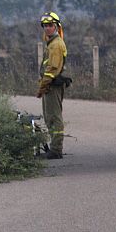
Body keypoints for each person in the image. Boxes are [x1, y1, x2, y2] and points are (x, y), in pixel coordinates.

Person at [37, 11, 68, 159]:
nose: (47, 28)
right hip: (50, 85)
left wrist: (43, 86)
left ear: (56, 26)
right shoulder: (52, 43)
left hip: (52, 85)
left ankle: (56, 150)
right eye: (45, 26)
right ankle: (54, 148)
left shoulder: (56, 45)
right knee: (49, 116)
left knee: (54, 117)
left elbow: (52, 69)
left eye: (50, 25)